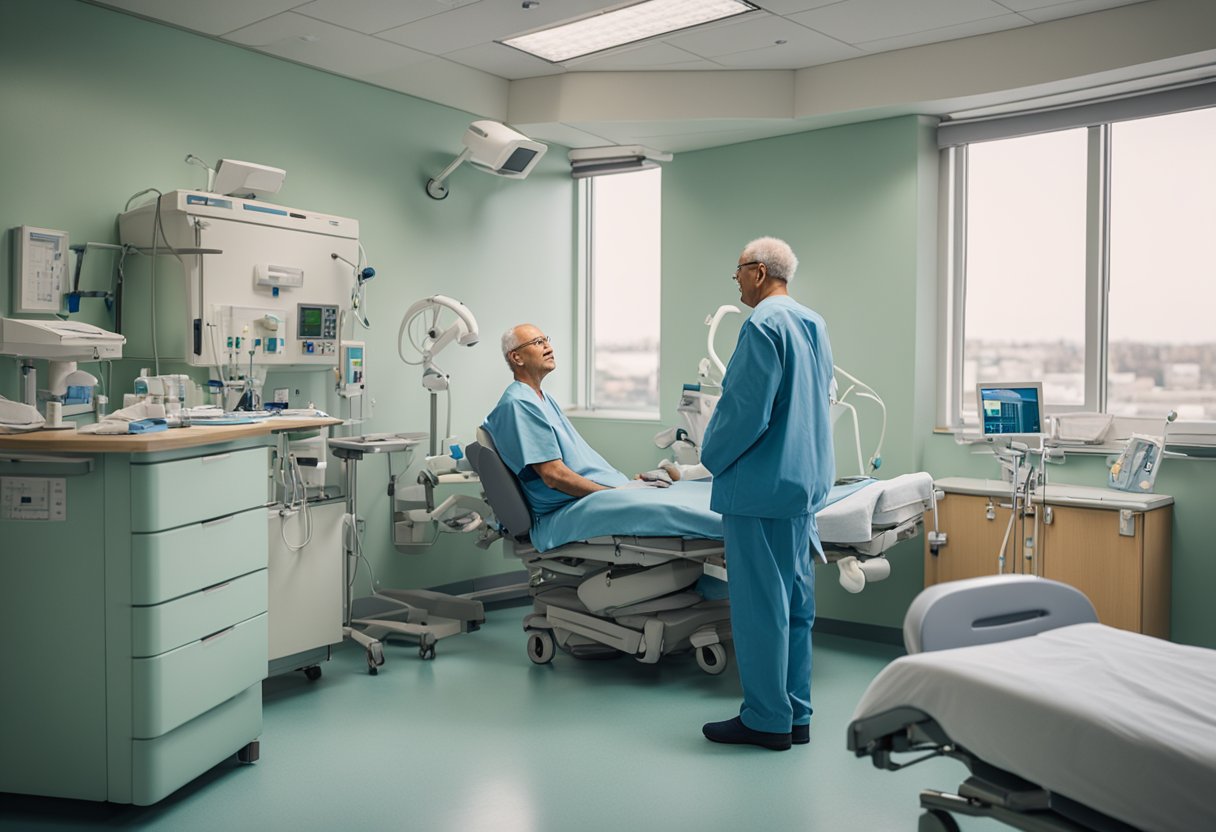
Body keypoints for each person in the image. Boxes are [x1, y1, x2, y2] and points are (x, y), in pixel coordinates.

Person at [699, 237, 835, 752]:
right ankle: (796, 714)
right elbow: (819, 400)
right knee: (796, 605)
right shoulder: (812, 322)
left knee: (760, 608)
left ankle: (765, 719)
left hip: (758, 488)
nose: (735, 282)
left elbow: (744, 411)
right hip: (802, 486)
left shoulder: (761, 325)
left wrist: (707, 458)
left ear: (757, 272)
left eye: (737, 272)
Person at [484, 323, 666, 516]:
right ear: (517, 357)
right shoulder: (519, 404)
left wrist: (624, 487)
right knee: (664, 509)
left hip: (604, 492)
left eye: (547, 340)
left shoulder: (542, 398)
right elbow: (554, 476)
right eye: (538, 342)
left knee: (663, 493)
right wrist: (610, 495)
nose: (549, 347)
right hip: (569, 507)